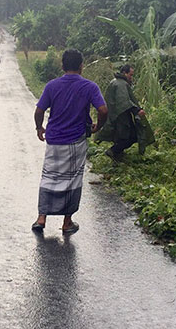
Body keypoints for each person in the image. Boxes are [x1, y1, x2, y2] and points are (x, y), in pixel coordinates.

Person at [31, 49, 108, 234]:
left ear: (62, 66)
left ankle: (41, 218)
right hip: (76, 140)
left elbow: (39, 111)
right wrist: (99, 126)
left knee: (49, 176)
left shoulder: (52, 86)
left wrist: (39, 128)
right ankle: (67, 222)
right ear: (81, 66)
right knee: (72, 180)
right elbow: (103, 110)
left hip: (55, 139)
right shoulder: (90, 87)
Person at [96, 64, 155, 161]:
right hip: (120, 116)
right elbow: (124, 102)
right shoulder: (120, 84)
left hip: (116, 115)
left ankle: (117, 156)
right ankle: (113, 151)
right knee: (131, 136)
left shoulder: (116, 82)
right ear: (124, 73)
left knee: (121, 136)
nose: (131, 78)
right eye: (130, 75)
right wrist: (137, 110)